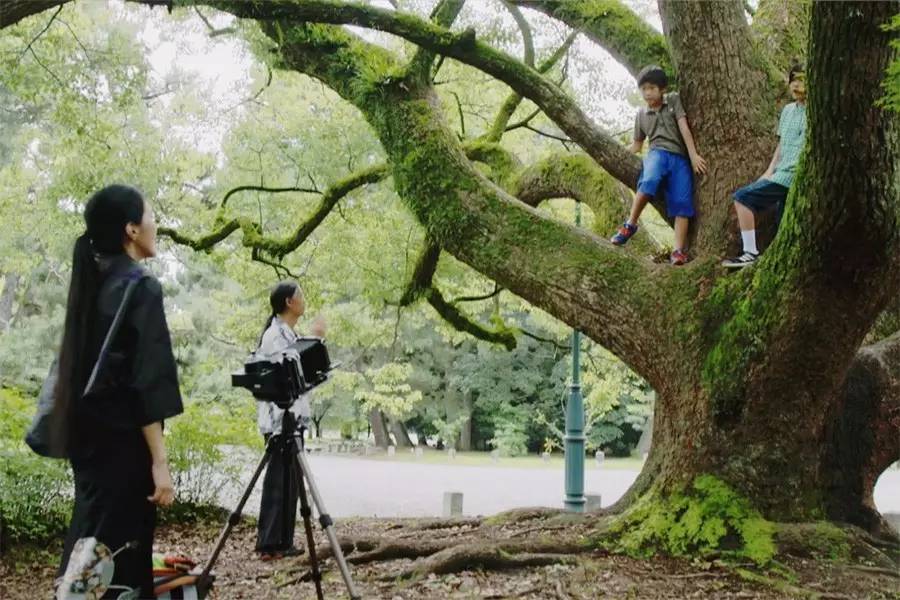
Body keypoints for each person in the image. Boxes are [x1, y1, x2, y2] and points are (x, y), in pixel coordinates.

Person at [54, 184, 183, 598]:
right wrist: (160, 462)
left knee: (91, 545)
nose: (155, 224)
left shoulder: (93, 284)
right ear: (131, 229)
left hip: (88, 446)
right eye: (150, 216)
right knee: (122, 557)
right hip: (125, 450)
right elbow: (148, 381)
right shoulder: (139, 287)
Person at [254, 281, 326, 561]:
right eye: (300, 296)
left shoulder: (288, 334)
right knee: (277, 482)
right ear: (288, 302)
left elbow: (304, 377)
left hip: (293, 418)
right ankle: (269, 542)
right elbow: (290, 374)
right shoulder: (275, 336)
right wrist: (316, 342)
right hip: (279, 419)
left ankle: (283, 541)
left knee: (291, 483)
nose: (304, 300)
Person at [610, 65, 708, 265]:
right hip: (657, 153)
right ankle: (630, 224)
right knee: (650, 180)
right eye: (644, 89)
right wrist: (616, 153)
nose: (647, 93)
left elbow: (684, 128)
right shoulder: (641, 114)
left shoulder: (672, 100)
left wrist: (693, 155)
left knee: (682, 202)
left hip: (680, 158)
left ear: (662, 89)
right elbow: (637, 145)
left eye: (651, 88)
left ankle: (678, 251)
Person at [722, 64, 807, 268]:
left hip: (794, 174)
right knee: (781, 225)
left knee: (742, 198)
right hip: (781, 173)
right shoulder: (787, 111)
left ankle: (750, 253)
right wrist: (769, 171)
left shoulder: (816, 112)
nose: (795, 84)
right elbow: (782, 144)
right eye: (792, 80)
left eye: (801, 80)